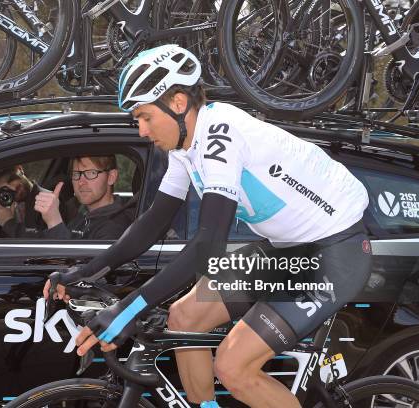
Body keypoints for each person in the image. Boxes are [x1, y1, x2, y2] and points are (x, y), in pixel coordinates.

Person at [43, 44, 371, 408]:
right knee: (183, 317)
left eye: (146, 117)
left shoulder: (220, 135)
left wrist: (127, 310)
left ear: (179, 103)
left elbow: (208, 245)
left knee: (233, 367)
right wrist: (85, 272)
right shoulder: (186, 148)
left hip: (333, 252)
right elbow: (153, 222)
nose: (141, 130)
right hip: (285, 250)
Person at [35, 155, 134, 240]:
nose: (81, 182)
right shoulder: (83, 214)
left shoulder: (114, 229)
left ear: (111, 177)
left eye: (91, 173)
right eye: (76, 174)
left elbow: (81, 262)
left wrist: (54, 222)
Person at [0, 165, 44, 238]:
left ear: (20, 169)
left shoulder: (49, 202)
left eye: (11, 180)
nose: (12, 188)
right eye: (3, 189)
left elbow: (46, 242)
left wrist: (9, 224)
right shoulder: (1, 208)